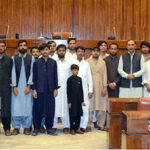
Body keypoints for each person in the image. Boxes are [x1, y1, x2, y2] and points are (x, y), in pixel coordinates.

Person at [32, 44, 58, 136]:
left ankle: (49, 128)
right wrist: (34, 89)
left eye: (46, 49)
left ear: (49, 50)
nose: (45, 51)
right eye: (43, 50)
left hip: (50, 90)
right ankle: (36, 128)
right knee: (37, 109)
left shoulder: (53, 62)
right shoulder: (36, 62)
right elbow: (34, 77)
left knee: (50, 109)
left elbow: (55, 77)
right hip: (39, 89)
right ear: (40, 52)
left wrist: (55, 88)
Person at [11, 40, 34, 135]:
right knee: (15, 107)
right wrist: (14, 87)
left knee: (27, 107)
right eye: (21, 45)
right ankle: (16, 127)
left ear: (27, 47)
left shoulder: (31, 58)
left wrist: (29, 86)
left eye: (24, 45)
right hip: (16, 87)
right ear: (18, 48)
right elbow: (12, 73)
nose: (23, 47)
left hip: (27, 87)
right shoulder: (14, 58)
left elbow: (32, 73)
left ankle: (26, 127)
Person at [87, 47, 108, 131]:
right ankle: (88, 124)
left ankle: (101, 124)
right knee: (89, 105)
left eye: (97, 51)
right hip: (90, 85)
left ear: (99, 53)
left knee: (102, 104)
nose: (96, 53)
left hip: (100, 85)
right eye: (94, 51)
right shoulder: (87, 61)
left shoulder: (102, 62)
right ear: (91, 52)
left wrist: (105, 87)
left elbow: (105, 74)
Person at [53, 44, 71, 134]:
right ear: (57, 52)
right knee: (55, 107)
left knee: (65, 107)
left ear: (65, 52)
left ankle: (66, 126)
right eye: (59, 50)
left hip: (66, 89)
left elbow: (71, 76)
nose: (61, 52)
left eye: (63, 50)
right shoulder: (53, 63)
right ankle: (54, 126)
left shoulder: (69, 63)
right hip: (56, 89)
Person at [74, 46, 93, 132]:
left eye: (82, 51)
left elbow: (89, 78)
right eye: (79, 51)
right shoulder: (72, 63)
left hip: (84, 89)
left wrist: (90, 90)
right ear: (76, 53)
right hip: (74, 89)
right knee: (75, 108)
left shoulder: (86, 64)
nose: (80, 53)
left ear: (84, 53)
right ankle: (75, 126)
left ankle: (83, 126)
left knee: (85, 108)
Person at [67, 64, 85, 135]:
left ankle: (77, 128)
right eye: (74, 70)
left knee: (78, 114)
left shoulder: (79, 79)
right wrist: (69, 102)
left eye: (77, 70)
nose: (76, 71)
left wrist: (82, 100)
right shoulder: (69, 80)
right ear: (71, 71)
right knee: (72, 115)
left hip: (78, 101)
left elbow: (81, 90)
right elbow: (68, 91)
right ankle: (72, 129)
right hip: (72, 101)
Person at [0, 41, 12, 136]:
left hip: (5, 87)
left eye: (2, 46)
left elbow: (13, 75)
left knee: (6, 108)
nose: (0, 47)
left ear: (5, 48)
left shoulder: (9, 60)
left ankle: (7, 128)